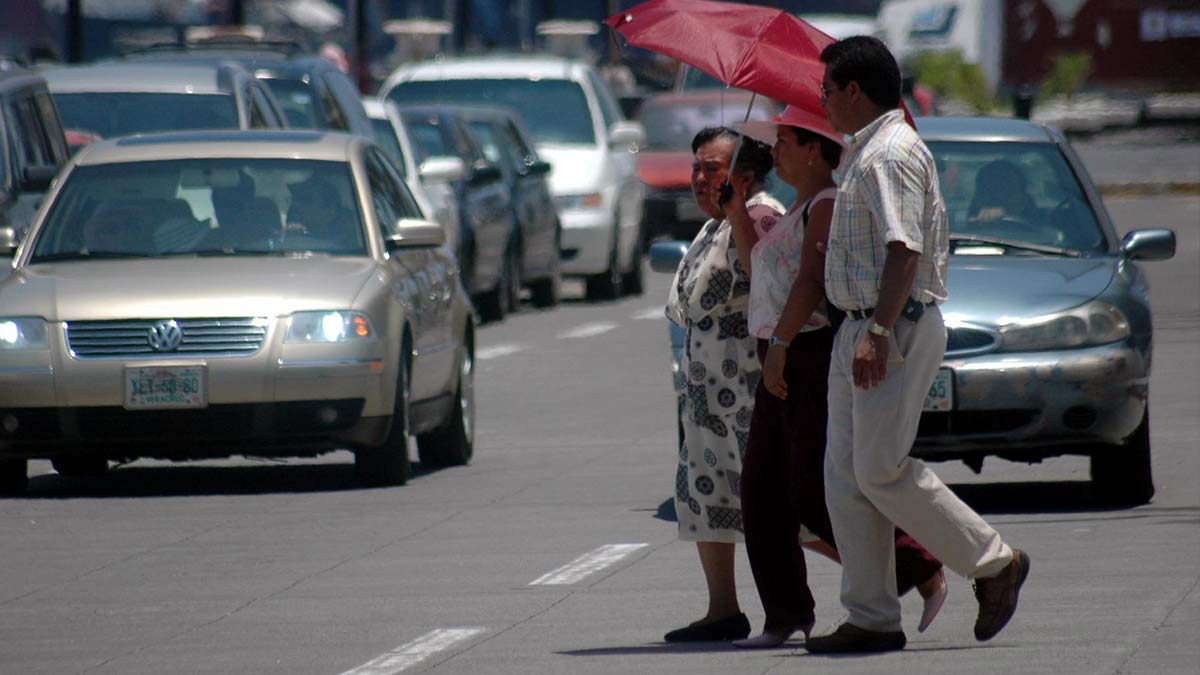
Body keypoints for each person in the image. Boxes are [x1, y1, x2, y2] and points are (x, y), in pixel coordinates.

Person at [806, 36, 1030, 654]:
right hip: (861, 326)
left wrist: (877, 332)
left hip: (893, 325)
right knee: (846, 479)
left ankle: (994, 561)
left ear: (854, 90)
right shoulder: (864, 152)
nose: (820, 103)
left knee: (878, 469)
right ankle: (872, 617)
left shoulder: (891, 154)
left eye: (825, 91)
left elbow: (903, 249)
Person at [718, 106, 946, 649]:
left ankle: (919, 567)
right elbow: (764, 278)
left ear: (816, 149)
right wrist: (736, 222)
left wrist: (780, 347)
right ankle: (785, 614)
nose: (775, 152)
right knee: (760, 492)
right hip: (777, 349)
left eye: (785, 141)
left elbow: (810, 284)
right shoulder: (794, 206)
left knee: (813, 491)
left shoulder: (826, 203)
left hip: (806, 351)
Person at [663, 127, 782, 643]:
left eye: (711, 168)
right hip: (705, 395)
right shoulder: (710, 226)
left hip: (747, 393)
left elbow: (770, 282)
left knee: (780, 505)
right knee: (704, 497)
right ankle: (723, 609)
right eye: (696, 168)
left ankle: (906, 569)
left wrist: (737, 215)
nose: (699, 179)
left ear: (745, 175)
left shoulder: (760, 214)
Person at [968, 159, 1038, 224]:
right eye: (989, 191)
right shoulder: (961, 233)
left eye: (1006, 192)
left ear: (1023, 197)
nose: (997, 199)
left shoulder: (1045, 225)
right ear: (976, 198)